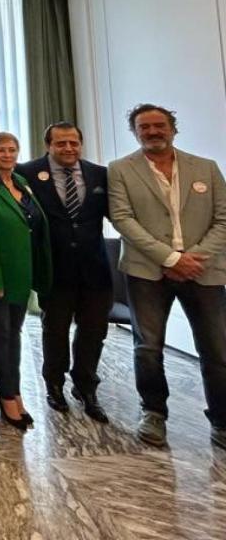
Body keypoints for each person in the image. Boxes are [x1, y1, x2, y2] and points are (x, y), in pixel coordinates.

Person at [108, 103, 226, 450]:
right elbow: (123, 220)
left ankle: (221, 420)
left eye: (159, 125)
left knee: (217, 350)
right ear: (135, 132)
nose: (152, 131)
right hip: (148, 271)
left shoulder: (205, 168)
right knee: (148, 347)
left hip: (203, 271)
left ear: (173, 128)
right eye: (144, 127)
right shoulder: (121, 170)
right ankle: (153, 412)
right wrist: (171, 258)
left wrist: (193, 258)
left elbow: (223, 219)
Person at [17, 122, 112, 423]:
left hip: (95, 269)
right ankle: (54, 385)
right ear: (48, 145)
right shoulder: (27, 173)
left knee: (94, 332)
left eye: (74, 143)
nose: (68, 148)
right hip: (54, 269)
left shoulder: (100, 174)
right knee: (54, 330)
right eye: (61, 143)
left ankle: (86, 387)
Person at [0, 132, 52, 432]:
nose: (7, 155)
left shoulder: (21, 183)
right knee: (1, 336)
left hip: (23, 274)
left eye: (12, 150)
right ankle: (6, 396)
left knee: (15, 335)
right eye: (1, 150)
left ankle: (15, 390)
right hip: (0, 279)